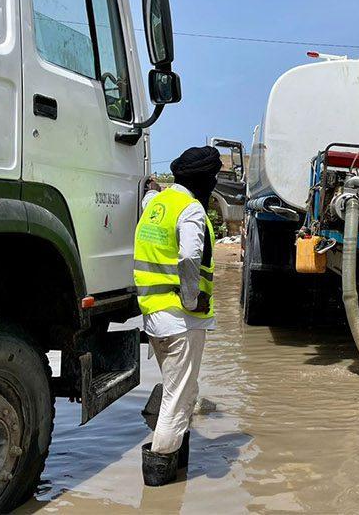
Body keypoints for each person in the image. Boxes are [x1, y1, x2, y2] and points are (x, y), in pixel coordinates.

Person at [133, 146, 222, 486]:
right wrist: (191, 299)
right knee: (179, 398)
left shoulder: (157, 205)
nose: (214, 184)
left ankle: (176, 470)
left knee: (179, 388)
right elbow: (189, 258)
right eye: (212, 178)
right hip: (181, 318)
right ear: (203, 180)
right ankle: (158, 479)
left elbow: (147, 197)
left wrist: (150, 188)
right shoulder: (191, 211)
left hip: (154, 317)